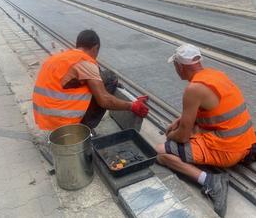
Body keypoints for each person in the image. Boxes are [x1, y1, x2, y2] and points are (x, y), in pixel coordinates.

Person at [155, 44, 256, 217]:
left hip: (228, 150)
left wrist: (170, 135)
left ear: (180, 66)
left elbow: (183, 136)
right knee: (190, 130)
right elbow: (209, 109)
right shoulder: (216, 75)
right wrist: (180, 121)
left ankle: (211, 181)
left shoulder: (193, 89)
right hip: (247, 141)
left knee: (161, 153)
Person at [32, 29, 149, 134]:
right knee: (109, 78)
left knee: (97, 81)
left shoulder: (60, 57)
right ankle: (84, 129)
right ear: (95, 48)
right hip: (64, 122)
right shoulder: (85, 62)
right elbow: (104, 100)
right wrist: (132, 105)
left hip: (46, 119)